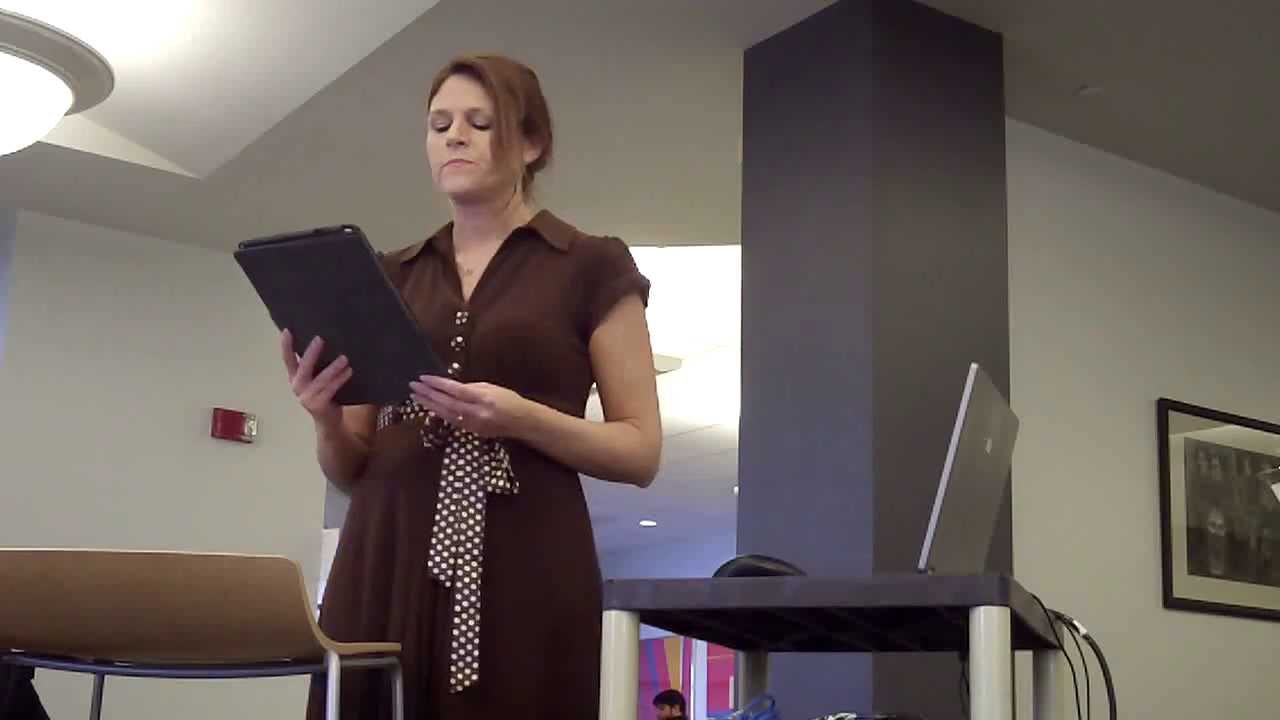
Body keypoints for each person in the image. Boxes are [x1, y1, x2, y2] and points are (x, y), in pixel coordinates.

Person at [287, 54, 662, 719]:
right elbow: (350, 468)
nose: (453, 137)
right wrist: (324, 419)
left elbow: (640, 451)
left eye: (478, 123)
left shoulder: (590, 265)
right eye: (439, 126)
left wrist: (522, 419)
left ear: (531, 143)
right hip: (384, 549)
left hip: (525, 555)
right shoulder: (391, 274)